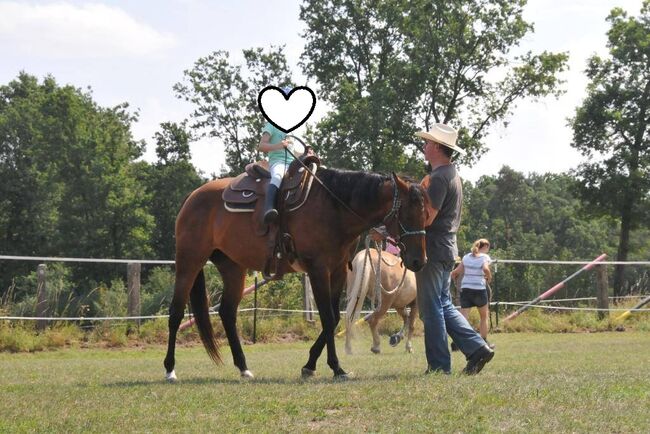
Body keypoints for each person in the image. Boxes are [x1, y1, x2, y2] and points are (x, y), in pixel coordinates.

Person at [415, 123, 494, 375]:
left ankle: (439, 365)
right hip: (447, 249)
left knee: (432, 309)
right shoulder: (452, 174)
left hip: (435, 249)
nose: (424, 146)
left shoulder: (438, 178)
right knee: (444, 304)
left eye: (428, 143)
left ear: (438, 147)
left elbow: (427, 219)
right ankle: (478, 349)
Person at [258, 86, 297, 224]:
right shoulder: (271, 125)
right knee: (278, 176)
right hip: (278, 162)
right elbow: (261, 146)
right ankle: (268, 208)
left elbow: (294, 151)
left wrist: (307, 152)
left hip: (294, 163)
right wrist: (278, 146)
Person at [451, 238, 495, 349]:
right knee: (484, 316)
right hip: (479, 289)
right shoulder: (484, 257)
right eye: (487, 248)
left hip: (466, 288)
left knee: (463, 317)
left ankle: (457, 343)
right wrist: (489, 278)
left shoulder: (466, 257)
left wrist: (452, 281)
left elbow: (456, 272)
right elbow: (485, 269)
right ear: (484, 247)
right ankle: (484, 342)